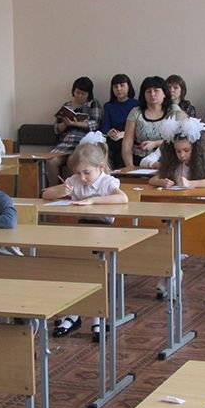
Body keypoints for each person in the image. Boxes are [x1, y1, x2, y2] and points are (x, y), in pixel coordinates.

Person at [42, 134, 128, 341]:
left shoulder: (107, 181)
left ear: (100, 167)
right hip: (80, 231)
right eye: (78, 173)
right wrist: (59, 190)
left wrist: (93, 201)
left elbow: (122, 198)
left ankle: (98, 317)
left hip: (103, 232)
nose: (82, 178)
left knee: (95, 274)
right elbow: (45, 194)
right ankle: (74, 314)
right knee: (76, 272)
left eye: (87, 173)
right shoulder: (74, 181)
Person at [47, 77, 103, 186]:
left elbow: (95, 124)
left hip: (83, 143)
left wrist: (74, 123)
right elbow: (56, 129)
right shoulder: (67, 106)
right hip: (65, 143)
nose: (79, 96)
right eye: (77, 92)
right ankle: (55, 190)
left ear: (89, 94)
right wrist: (65, 124)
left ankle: (75, 190)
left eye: (83, 94)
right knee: (51, 162)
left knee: (72, 161)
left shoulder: (93, 104)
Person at [122, 76, 185, 167]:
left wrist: (155, 143)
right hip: (140, 160)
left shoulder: (174, 110)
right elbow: (127, 143)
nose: (152, 94)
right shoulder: (135, 112)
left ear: (164, 94)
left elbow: (182, 139)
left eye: (156, 91)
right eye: (148, 91)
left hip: (167, 159)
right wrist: (130, 167)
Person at [149, 117, 205, 188]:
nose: (182, 155)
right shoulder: (173, 163)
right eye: (178, 151)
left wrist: (190, 183)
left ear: (195, 149)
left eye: (186, 150)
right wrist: (162, 182)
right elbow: (152, 180)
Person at [100, 74, 138, 169]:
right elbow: (105, 127)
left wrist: (124, 133)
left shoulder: (136, 104)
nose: (119, 89)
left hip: (130, 138)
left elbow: (139, 126)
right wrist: (109, 132)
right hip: (113, 139)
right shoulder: (108, 106)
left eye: (122, 85)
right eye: (115, 86)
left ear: (129, 87)